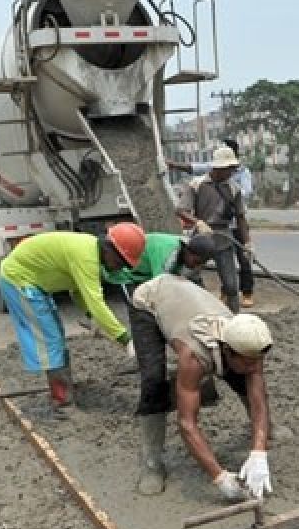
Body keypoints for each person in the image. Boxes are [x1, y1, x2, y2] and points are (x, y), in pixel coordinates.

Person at [129, 274, 274, 500]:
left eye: (257, 360)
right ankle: (152, 463)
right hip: (150, 301)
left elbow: (259, 399)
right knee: (154, 383)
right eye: (247, 361)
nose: (255, 367)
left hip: (186, 296)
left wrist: (258, 451)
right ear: (227, 350)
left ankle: (263, 436)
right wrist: (220, 478)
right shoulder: (193, 358)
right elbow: (187, 423)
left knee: (245, 380)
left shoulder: (248, 341)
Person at [0, 224, 146, 417]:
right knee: (51, 340)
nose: (119, 268)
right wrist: (124, 339)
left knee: (56, 335)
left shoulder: (89, 250)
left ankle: (64, 393)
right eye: (121, 262)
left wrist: (91, 318)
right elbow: (96, 302)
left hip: (33, 281)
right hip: (19, 279)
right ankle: (62, 403)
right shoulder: (86, 257)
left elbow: (77, 292)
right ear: (110, 249)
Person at [167, 138, 257, 307]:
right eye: (228, 169)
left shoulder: (234, 189)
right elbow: (180, 210)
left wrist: (247, 243)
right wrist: (198, 222)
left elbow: (241, 217)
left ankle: (233, 319)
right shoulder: (197, 184)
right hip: (201, 238)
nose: (231, 172)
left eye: (232, 169)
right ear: (218, 167)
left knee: (231, 286)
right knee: (187, 278)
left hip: (224, 238)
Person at [102, 231, 217, 289]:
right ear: (188, 251)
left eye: (201, 264)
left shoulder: (185, 249)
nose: (197, 267)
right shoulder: (167, 255)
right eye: (196, 262)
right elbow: (160, 286)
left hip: (141, 274)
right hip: (119, 271)